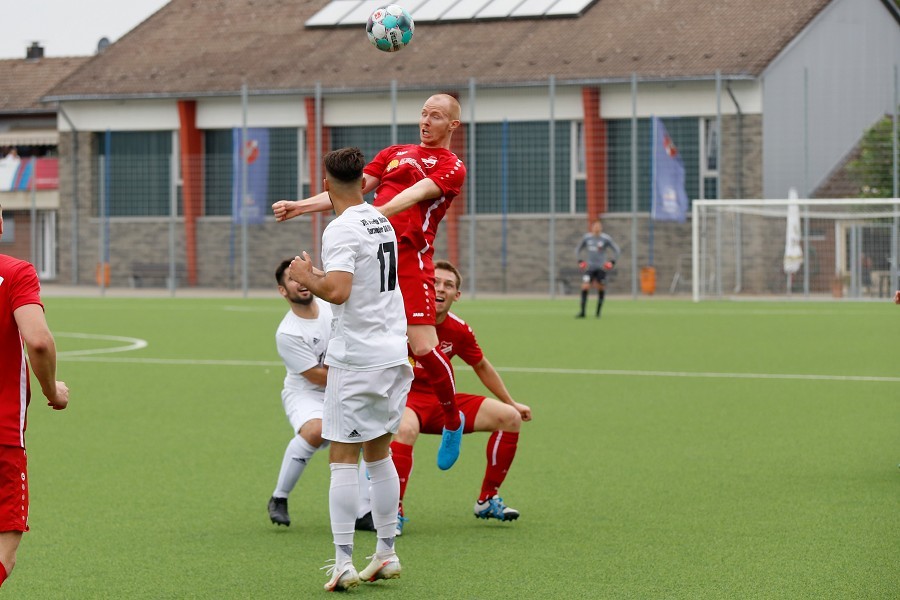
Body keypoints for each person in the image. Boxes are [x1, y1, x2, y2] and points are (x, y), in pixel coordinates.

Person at [273, 93, 467, 471]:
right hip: (369, 253)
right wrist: (301, 206)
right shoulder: (396, 150)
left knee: (424, 346)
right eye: (423, 113)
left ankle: (452, 419)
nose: (426, 121)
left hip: (408, 259)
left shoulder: (452, 166)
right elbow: (352, 189)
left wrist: (372, 215)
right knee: (353, 322)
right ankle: (365, 413)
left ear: (453, 126)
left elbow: (415, 194)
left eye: (437, 116)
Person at [286, 147, 413, 592]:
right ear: (364, 182)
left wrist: (306, 274)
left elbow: (337, 291)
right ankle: (385, 551)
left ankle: (342, 562)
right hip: (392, 353)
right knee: (379, 455)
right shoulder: (379, 219)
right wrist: (320, 275)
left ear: (325, 184)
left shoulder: (340, 229)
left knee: (342, 458)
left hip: (357, 358)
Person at [356, 260, 532, 536]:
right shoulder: (398, 318)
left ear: (456, 295)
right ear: (423, 285)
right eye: (434, 282)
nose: (440, 289)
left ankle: (486, 500)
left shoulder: (459, 330)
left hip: (443, 403)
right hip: (406, 400)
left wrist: (512, 402)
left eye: (448, 285)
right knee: (405, 428)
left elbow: (481, 366)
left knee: (509, 419)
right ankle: (394, 513)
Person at [0, 202, 69, 588]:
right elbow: (38, 342)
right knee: (4, 553)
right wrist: (52, 391)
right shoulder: (14, 272)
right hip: (2, 434)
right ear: (0, 222)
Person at [266, 259, 333, 527]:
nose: (300, 283)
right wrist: (361, 375)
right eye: (292, 279)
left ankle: (364, 511)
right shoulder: (288, 332)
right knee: (315, 431)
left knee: (367, 437)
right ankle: (279, 497)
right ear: (283, 291)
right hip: (307, 392)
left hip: (343, 386)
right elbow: (316, 376)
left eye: (301, 276)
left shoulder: (332, 307)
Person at [574, 218, 621, 318]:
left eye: (598, 226)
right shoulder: (587, 238)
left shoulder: (605, 238)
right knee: (585, 286)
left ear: (601, 227)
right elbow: (577, 249)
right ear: (592, 227)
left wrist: (612, 262)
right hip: (590, 268)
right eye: (595, 226)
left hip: (601, 269)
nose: (596, 228)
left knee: (601, 287)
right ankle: (582, 312)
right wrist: (580, 261)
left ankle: (598, 313)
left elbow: (617, 250)